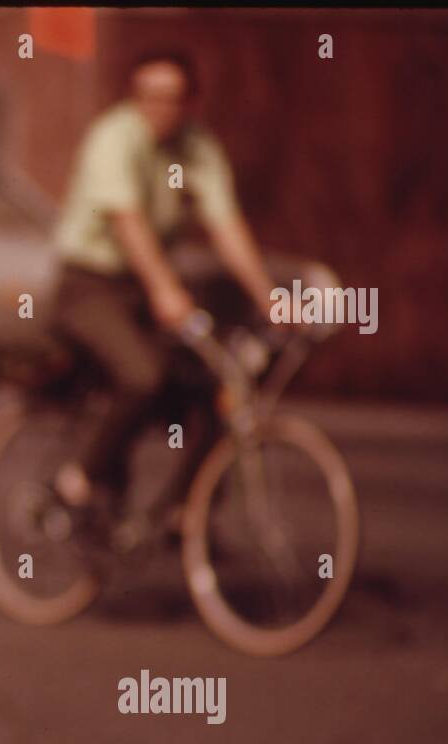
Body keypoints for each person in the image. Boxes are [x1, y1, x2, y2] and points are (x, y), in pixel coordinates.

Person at [50, 51, 279, 536]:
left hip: (144, 289)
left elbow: (225, 224)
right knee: (143, 376)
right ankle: (77, 480)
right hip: (89, 285)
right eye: (147, 96)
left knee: (219, 392)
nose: (158, 108)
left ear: (191, 102)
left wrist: (268, 297)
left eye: (170, 98)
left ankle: (183, 513)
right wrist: (165, 289)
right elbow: (127, 222)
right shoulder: (113, 137)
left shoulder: (197, 147)